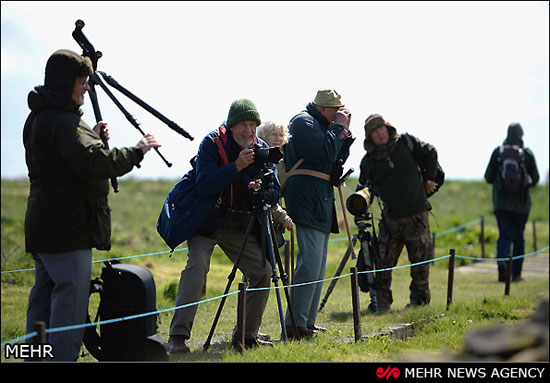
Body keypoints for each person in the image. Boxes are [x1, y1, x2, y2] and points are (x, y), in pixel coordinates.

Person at [23, 49, 161, 361]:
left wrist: (92, 136)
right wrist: (138, 151)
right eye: (82, 81)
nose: (87, 87)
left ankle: (33, 358)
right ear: (65, 84)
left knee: (43, 301)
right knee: (69, 306)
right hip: (66, 228)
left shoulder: (41, 116)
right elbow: (93, 162)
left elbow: (67, 157)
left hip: (44, 224)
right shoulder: (63, 121)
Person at [166, 99, 278, 353]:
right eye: (243, 125)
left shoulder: (262, 148)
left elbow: (276, 193)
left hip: (238, 224)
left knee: (262, 271)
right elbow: (204, 184)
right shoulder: (211, 143)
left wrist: (261, 191)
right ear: (231, 126)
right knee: (197, 268)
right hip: (206, 222)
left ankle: (246, 335)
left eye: (252, 125)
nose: (249, 131)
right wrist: (237, 166)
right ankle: (178, 337)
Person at [283, 89, 353, 338]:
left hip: (319, 199)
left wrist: (343, 134)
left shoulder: (322, 125)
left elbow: (334, 158)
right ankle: (294, 323)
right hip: (307, 199)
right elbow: (322, 152)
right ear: (325, 108)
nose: (340, 114)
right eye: (337, 109)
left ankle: (306, 322)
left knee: (318, 266)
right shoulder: (303, 122)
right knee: (309, 265)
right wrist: (337, 130)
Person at [358, 114, 437, 313]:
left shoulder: (407, 143)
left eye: (381, 128)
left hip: (417, 216)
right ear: (370, 137)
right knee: (383, 264)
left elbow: (431, 152)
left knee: (420, 263)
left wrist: (429, 178)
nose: (380, 133)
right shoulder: (368, 162)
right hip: (390, 220)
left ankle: (419, 302)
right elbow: (364, 187)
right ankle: (381, 303)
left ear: (388, 127)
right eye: (374, 131)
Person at [484, 122, 539, 282]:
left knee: (504, 236)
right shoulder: (527, 154)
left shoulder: (498, 152)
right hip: (521, 205)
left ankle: (502, 266)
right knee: (519, 238)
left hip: (501, 203)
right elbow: (535, 179)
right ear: (521, 135)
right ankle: (516, 274)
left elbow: (488, 177)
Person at [256, 121, 293, 230]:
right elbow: (264, 194)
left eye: (281, 135)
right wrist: (282, 216)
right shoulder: (261, 158)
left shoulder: (283, 158)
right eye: (274, 134)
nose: (278, 138)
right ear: (264, 136)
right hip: (261, 215)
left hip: (274, 215)